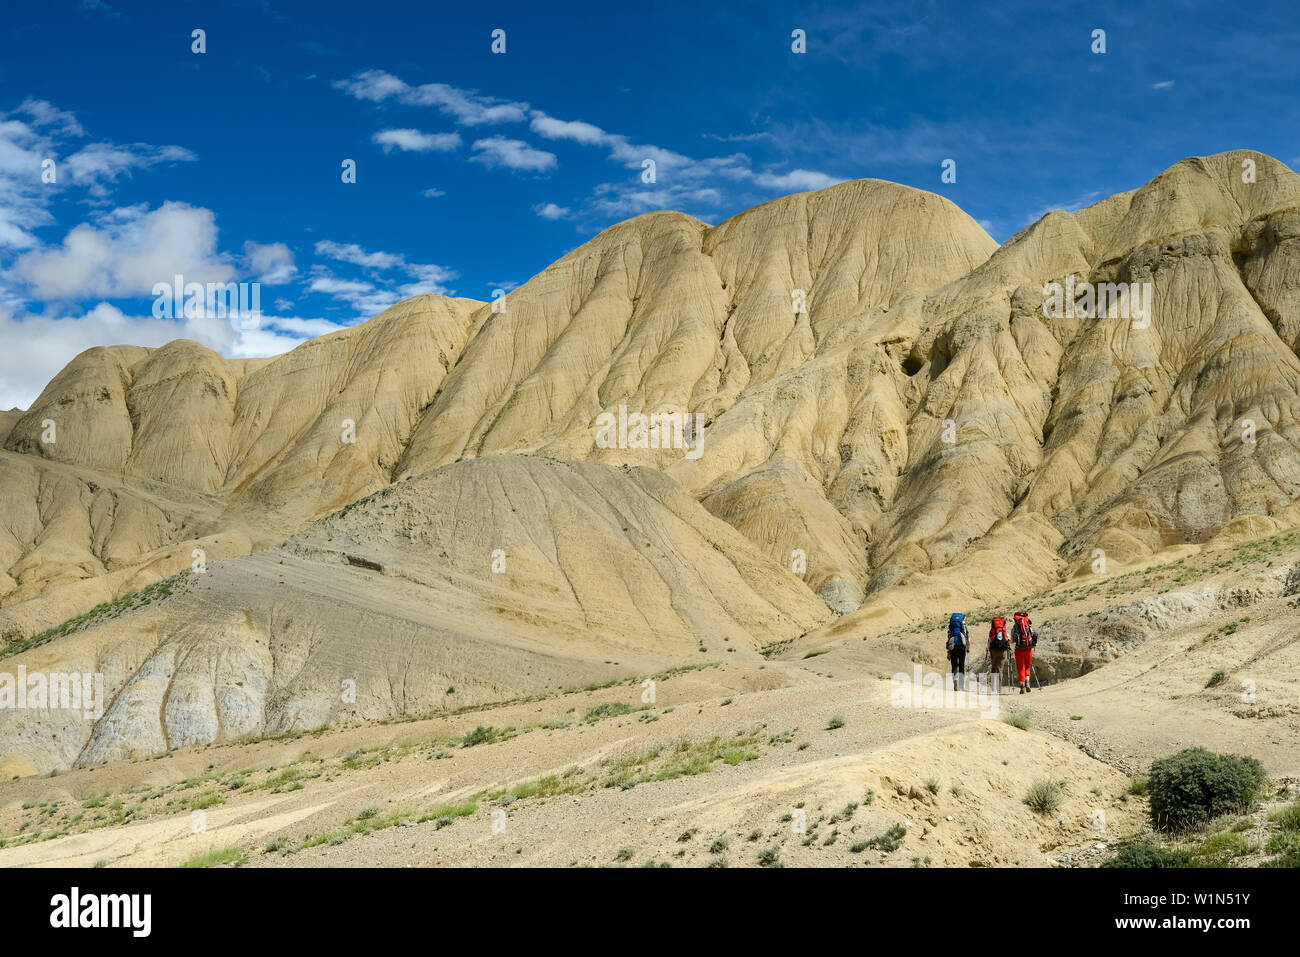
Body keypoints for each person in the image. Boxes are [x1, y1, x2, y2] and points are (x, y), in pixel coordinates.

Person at [1011, 610, 1037, 694]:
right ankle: (1028, 683)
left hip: (1019, 650)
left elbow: (1011, 640)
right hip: (1029, 648)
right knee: (1027, 667)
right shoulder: (1028, 625)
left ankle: (1022, 686)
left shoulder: (1014, 627)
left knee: (1021, 667)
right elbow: (1033, 635)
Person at [945, 612, 969, 690]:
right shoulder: (965, 625)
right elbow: (968, 637)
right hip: (962, 646)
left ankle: (955, 681)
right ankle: (961, 685)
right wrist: (968, 647)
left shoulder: (950, 626)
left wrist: (948, 652)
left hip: (953, 646)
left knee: (954, 666)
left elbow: (949, 638)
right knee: (961, 666)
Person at [988, 615, 1011, 692]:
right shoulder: (1005, 631)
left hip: (993, 651)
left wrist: (987, 648)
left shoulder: (992, 631)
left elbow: (989, 640)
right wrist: (1009, 649)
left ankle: (993, 688)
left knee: (993, 668)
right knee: (1000, 669)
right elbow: (1008, 640)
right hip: (1002, 651)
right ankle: (999, 689)